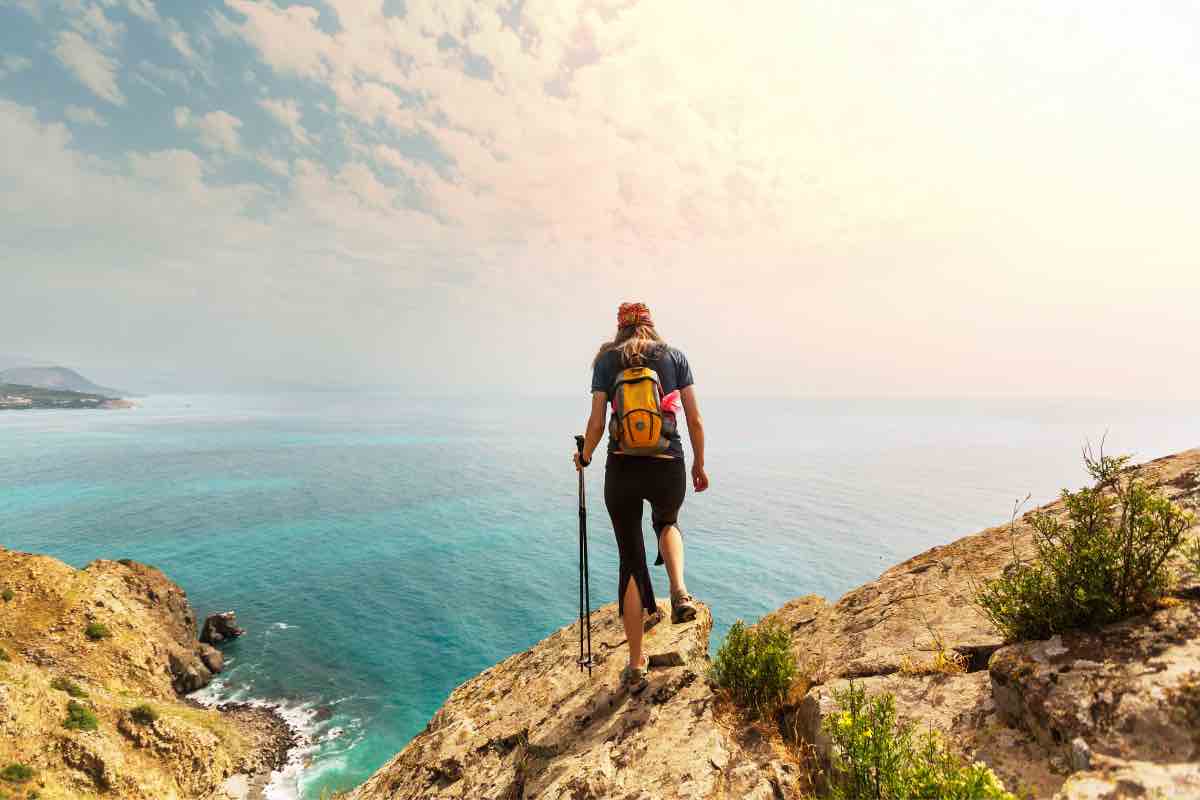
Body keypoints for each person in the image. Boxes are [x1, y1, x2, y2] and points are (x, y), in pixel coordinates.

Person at [573, 301, 708, 690]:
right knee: (668, 522)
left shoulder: (605, 361)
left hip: (622, 467)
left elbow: (598, 422)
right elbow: (695, 419)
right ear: (651, 325)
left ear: (620, 329)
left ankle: (636, 666)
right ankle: (679, 591)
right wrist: (699, 464)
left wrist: (585, 456)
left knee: (630, 560)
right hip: (668, 460)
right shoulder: (675, 357)